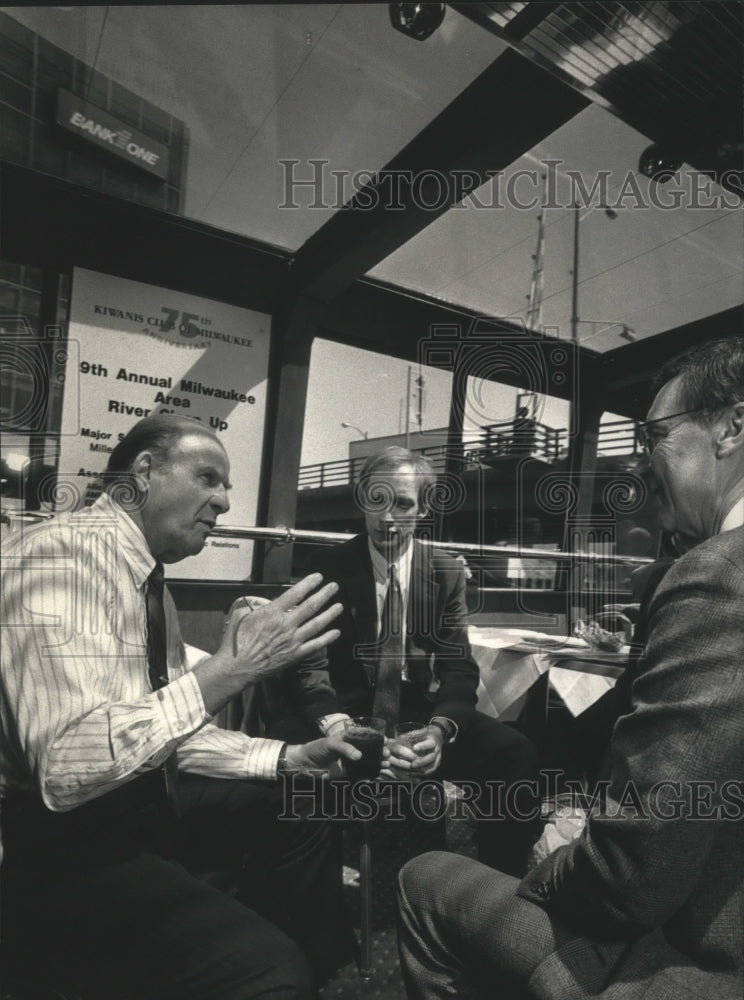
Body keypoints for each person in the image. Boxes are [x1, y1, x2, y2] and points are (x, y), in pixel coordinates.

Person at [396, 336, 744, 1000]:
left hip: (697, 961)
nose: (644, 465)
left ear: (731, 427)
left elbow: (628, 879)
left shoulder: (717, 576)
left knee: (424, 880)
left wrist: (554, 861)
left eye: (656, 436)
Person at [0, 413, 362, 1000]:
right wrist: (229, 670)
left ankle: (281, 958)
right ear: (144, 472)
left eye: (225, 487)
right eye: (208, 478)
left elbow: (167, 728)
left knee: (303, 804)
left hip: (132, 799)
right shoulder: (60, 561)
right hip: (48, 840)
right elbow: (66, 769)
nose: (222, 501)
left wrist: (292, 757)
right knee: (270, 973)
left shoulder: (145, 579)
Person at [270, 446, 541, 877]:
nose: (387, 518)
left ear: (425, 506)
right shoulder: (326, 566)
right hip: (343, 707)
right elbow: (308, 666)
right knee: (284, 762)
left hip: (413, 712)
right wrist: (337, 725)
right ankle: (317, 899)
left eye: (403, 503)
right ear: (361, 499)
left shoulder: (445, 571)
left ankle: (498, 891)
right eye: (376, 500)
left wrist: (440, 732)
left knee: (516, 755)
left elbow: (457, 667)